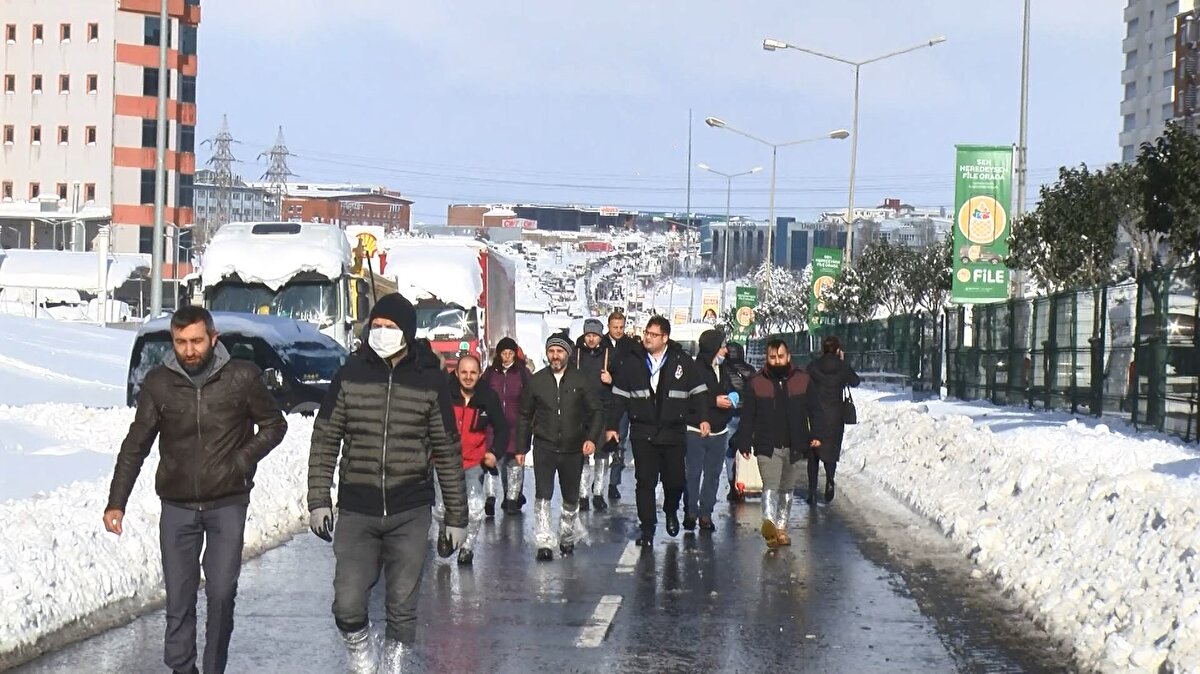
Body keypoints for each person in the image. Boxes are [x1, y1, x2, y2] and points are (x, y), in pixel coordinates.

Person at [104, 306, 287, 674]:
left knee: (221, 593)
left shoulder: (241, 377)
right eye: (181, 342)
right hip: (178, 505)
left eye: (196, 341)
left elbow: (274, 425)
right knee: (179, 598)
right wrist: (116, 502)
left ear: (213, 339)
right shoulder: (159, 383)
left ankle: (214, 666)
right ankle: (182, 668)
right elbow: (136, 445)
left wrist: (241, 460)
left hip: (227, 502)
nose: (189, 350)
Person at [308, 292, 468, 674]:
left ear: (407, 333)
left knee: (402, 605)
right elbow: (326, 438)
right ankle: (363, 659)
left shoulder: (430, 381)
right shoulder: (350, 375)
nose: (380, 332)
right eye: (376, 326)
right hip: (357, 508)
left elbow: (447, 450)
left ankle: (393, 669)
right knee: (347, 604)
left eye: (390, 326)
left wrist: (456, 517)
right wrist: (318, 498)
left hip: (409, 508)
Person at [607, 316, 710, 547]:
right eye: (646, 333)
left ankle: (671, 509)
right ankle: (647, 528)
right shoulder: (632, 362)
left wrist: (703, 418)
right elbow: (619, 398)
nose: (647, 338)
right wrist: (612, 427)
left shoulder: (681, 361)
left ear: (665, 338)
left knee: (675, 481)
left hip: (673, 431)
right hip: (643, 431)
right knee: (645, 481)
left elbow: (699, 392)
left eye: (653, 335)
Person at [515, 333, 604, 560]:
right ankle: (544, 542)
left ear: (568, 354)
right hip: (544, 446)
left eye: (559, 351)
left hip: (573, 448)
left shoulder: (580, 380)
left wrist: (591, 439)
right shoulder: (538, 381)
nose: (555, 356)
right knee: (543, 496)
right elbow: (524, 415)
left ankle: (566, 536)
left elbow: (596, 411)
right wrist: (521, 448)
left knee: (571, 498)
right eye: (551, 351)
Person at [732, 338, 818, 549]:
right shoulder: (757, 382)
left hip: (795, 443)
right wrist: (744, 441)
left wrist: (816, 434)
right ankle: (769, 526)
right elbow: (748, 415)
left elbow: (815, 410)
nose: (777, 361)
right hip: (767, 444)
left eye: (780, 356)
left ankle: (781, 528)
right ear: (766, 358)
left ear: (788, 357)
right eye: (772, 357)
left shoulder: (802, 380)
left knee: (787, 488)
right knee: (770, 486)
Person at [439, 355, 509, 566]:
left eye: (473, 373)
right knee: (441, 507)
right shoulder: (444, 394)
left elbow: (502, 429)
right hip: (443, 460)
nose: (468, 377)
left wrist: (494, 453)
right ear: (456, 373)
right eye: (464, 372)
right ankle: (445, 534)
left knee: (475, 507)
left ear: (479, 374)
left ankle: (467, 547)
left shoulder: (488, 397)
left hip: (473, 461)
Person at [684, 329, 734, 532]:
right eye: (722, 347)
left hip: (719, 430)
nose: (725, 351)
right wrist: (714, 401)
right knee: (693, 473)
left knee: (713, 474)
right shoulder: (694, 369)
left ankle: (706, 514)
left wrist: (733, 398)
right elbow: (690, 397)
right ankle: (691, 511)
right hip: (696, 429)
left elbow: (731, 389)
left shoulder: (725, 369)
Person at [806, 335, 862, 504]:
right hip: (836, 414)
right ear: (838, 350)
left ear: (823, 349)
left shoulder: (813, 366)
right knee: (831, 450)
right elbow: (855, 381)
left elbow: (804, 384)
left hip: (816, 414)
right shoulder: (843, 367)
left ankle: (812, 491)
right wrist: (843, 363)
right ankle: (830, 479)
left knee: (813, 453)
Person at [481, 337, 530, 515]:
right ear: (499, 354)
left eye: (510, 353)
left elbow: (530, 397)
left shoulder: (522, 373)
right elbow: (481, 394)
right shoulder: (490, 373)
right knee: (492, 460)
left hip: (516, 425)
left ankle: (512, 499)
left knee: (514, 462)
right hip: (493, 426)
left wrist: (528, 419)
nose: (507, 357)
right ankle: (490, 497)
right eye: (504, 353)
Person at [574, 318, 615, 512]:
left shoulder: (609, 353)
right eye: (588, 335)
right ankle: (582, 494)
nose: (591, 339)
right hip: (581, 410)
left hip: (603, 408)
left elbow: (621, 380)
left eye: (595, 336)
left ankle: (598, 492)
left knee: (602, 453)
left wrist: (611, 380)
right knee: (582, 453)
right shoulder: (576, 353)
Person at [603, 311, 636, 501]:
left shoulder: (631, 346)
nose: (618, 330)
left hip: (623, 399)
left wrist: (613, 379)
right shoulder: (601, 345)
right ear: (608, 326)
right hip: (604, 398)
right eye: (615, 327)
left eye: (621, 327)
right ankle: (599, 479)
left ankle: (613, 482)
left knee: (619, 441)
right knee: (603, 442)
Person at [723, 341, 757, 502]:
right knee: (746, 447)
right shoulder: (750, 370)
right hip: (748, 415)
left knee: (729, 452)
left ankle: (733, 487)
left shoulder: (723, 370)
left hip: (730, 414)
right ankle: (747, 481)